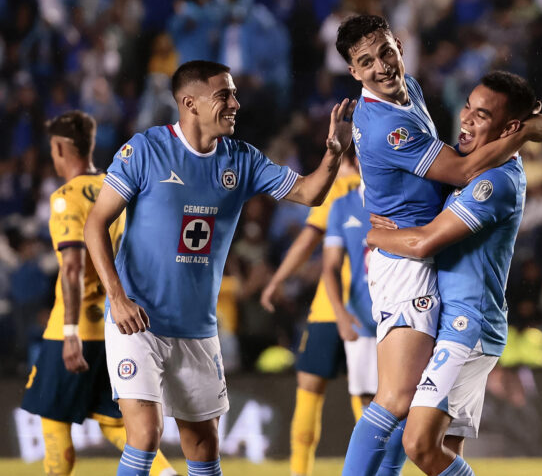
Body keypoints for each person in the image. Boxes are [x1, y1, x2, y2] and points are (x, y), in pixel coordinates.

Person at [84, 60, 353, 476]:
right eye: (224, 95)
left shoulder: (242, 159)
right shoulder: (145, 150)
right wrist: (117, 299)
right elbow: (95, 225)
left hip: (197, 326)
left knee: (204, 444)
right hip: (137, 320)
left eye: (234, 94)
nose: (235, 103)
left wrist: (334, 152)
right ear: (190, 103)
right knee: (145, 433)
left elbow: (309, 192)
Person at [335, 14, 542, 475]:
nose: (382, 67)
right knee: (394, 400)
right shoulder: (384, 126)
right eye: (366, 62)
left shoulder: (407, 89)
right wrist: (523, 135)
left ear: (399, 43)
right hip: (406, 256)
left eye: (386, 52)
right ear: (354, 73)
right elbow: (459, 171)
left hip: (426, 257)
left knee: (419, 418)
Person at [366, 71, 535, 476]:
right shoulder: (473, 168)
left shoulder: (493, 183)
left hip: (468, 325)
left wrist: (374, 234)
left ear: (508, 128)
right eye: (467, 107)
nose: (466, 120)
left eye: (481, 115)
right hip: (460, 323)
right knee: (443, 454)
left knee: (418, 444)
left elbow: (424, 242)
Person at [21, 111, 177, 476]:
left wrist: (72, 332)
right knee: (116, 423)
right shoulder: (116, 186)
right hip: (115, 326)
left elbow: (73, 267)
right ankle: (166, 474)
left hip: (70, 330)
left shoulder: (65, 198)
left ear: (60, 149)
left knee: (53, 420)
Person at [259, 148, 362, 476]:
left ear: (349, 161)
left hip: (328, 311)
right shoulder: (386, 189)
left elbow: (308, 239)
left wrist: (278, 279)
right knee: (371, 401)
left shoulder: (340, 192)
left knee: (309, 392)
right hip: (372, 314)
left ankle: (299, 472)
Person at [322, 185, 407, 474]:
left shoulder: (402, 193)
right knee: (368, 398)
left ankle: (386, 468)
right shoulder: (342, 206)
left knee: (401, 399)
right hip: (361, 319)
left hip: (402, 316)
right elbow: (330, 265)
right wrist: (340, 313)